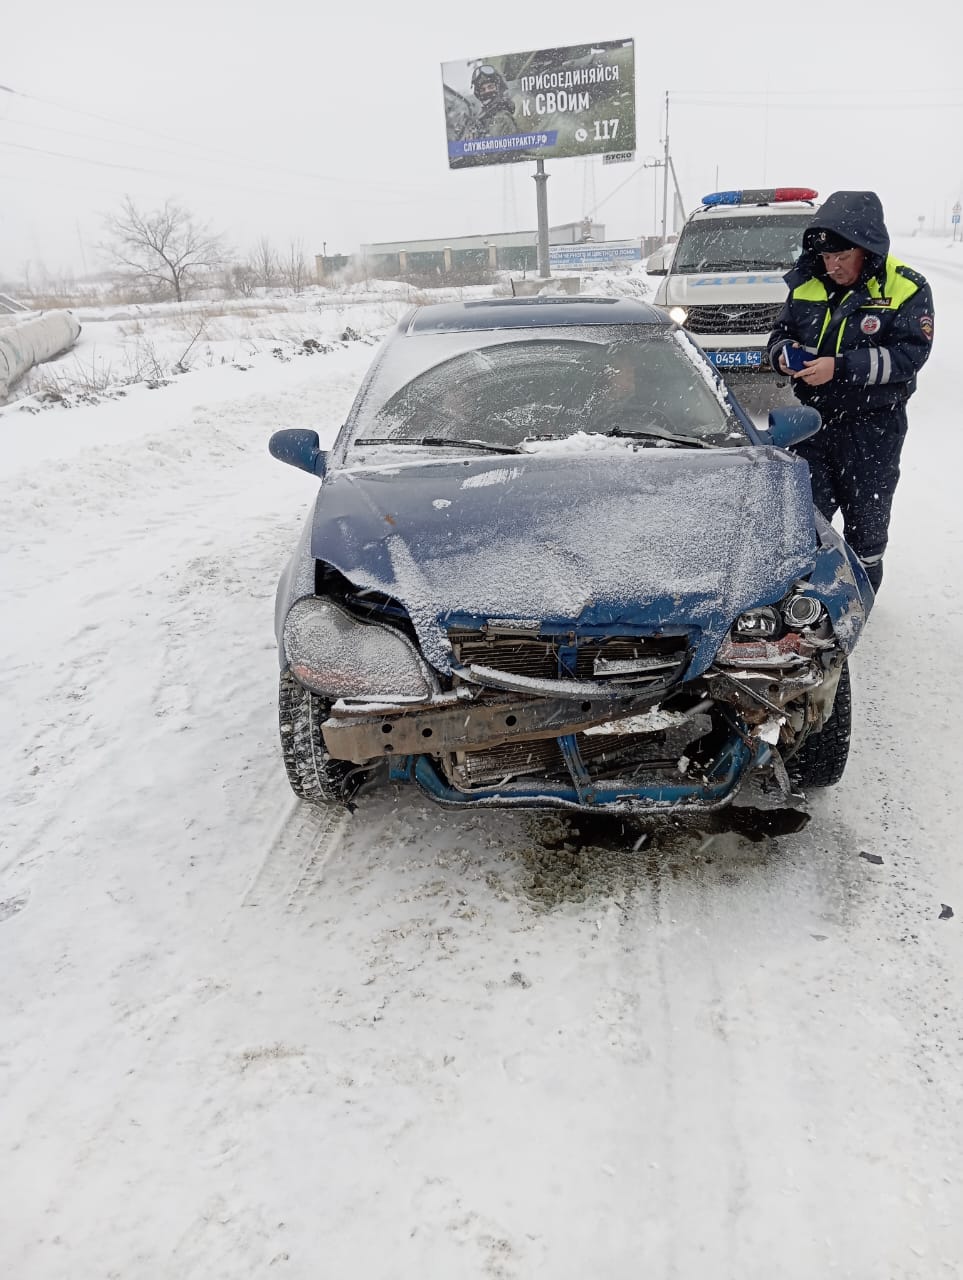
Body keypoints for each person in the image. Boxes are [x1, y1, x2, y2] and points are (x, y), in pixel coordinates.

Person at [767, 190, 934, 593]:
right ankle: (801, 605)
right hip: (813, 426)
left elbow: (909, 356)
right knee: (803, 523)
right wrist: (781, 355)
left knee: (867, 531)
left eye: (843, 256)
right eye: (827, 257)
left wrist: (838, 368)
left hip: (873, 429)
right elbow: (780, 333)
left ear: (867, 248)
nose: (834, 266)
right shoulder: (806, 284)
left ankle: (861, 601)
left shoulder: (906, 287)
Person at [470, 64, 517, 137]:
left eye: (490, 87)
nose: (487, 91)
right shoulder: (482, 121)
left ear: (498, 89)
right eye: (482, 90)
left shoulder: (502, 118)